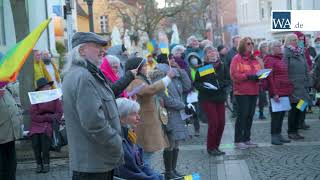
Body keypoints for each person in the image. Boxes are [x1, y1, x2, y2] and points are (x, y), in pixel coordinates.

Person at [62, 32, 124, 180]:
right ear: (82, 50)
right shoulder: (84, 77)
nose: (103, 51)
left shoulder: (85, 74)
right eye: (97, 46)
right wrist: (116, 142)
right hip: (94, 164)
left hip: (95, 160)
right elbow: (94, 122)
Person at [125, 56, 175, 165]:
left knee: (147, 154)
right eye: (144, 66)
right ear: (137, 68)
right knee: (145, 155)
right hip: (143, 122)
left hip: (146, 120)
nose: (146, 68)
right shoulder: (136, 80)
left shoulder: (140, 78)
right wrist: (167, 78)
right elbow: (150, 90)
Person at [149, 54, 191, 179]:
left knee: (176, 143)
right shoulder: (160, 76)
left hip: (177, 112)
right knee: (170, 143)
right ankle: (168, 172)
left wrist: (181, 70)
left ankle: (173, 170)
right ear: (167, 61)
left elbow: (187, 86)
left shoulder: (174, 74)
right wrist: (182, 105)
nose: (174, 61)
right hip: (168, 113)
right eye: (172, 59)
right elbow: (165, 99)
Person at [114, 98, 164, 180]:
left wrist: (157, 176)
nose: (138, 117)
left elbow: (141, 165)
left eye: (138, 113)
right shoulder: (118, 141)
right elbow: (128, 174)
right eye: (133, 114)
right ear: (121, 117)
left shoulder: (130, 136)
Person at [194, 46, 229, 155]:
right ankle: (211, 147)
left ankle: (216, 146)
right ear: (206, 55)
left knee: (221, 123)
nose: (213, 53)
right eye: (209, 52)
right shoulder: (204, 68)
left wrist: (223, 87)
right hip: (208, 98)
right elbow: (197, 83)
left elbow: (228, 80)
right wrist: (207, 87)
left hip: (220, 97)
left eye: (214, 51)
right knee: (214, 122)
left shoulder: (222, 65)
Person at [230, 37, 262, 150]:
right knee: (242, 116)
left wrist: (260, 77)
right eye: (248, 43)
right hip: (241, 92)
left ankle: (247, 139)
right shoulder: (236, 58)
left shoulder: (255, 59)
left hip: (254, 91)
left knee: (250, 116)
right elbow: (234, 75)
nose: (251, 45)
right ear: (243, 45)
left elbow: (259, 72)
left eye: (252, 43)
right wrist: (248, 76)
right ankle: (238, 140)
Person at [29, 78, 63, 173]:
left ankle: (46, 163)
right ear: (40, 89)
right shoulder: (35, 98)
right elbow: (33, 114)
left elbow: (59, 112)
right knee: (35, 138)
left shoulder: (54, 97)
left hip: (49, 122)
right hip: (37, 122)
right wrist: (47, 117)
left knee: (45, 137)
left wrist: (49, 118)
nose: (47, 89)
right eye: (44, 87)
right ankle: (39, 164)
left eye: (48, 87)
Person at [264, 40, 293, 145]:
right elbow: (270, 78)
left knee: (281, 114)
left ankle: (279, 134)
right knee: (276, 115)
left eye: (280, 46)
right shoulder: (269, 60)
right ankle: (274, 136)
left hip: (284, 90)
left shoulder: (280, 58)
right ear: (272, 48)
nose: (280, 48)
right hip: (276, 91)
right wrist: (274, 93)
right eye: (278, 46)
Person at [283, 33, 311, 140]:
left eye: (296, 40)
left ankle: (297, 128)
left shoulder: (300, 52)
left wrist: (309, 82)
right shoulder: (286, 53)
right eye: (293, 40)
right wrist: (288, 84)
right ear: (288, 41)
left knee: (301, 108)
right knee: (294, 110)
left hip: (303, 86)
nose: (296, 42)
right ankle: (291, 131)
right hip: (293, 86)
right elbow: (284, 70)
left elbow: (306, 68)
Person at [0, 79, 23, 180]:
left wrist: (19, 111)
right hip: (1, 136)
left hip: (10, 135)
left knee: (12, 165)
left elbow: (16, 100)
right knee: (3, 167)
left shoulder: (7, 87)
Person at [186, 52, 205, 133]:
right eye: (191, 58)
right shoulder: (188, 69)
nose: (194, 59)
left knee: (202, 111)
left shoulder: (203, 68)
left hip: (203, 92)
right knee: (195, 112)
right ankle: (197, 129)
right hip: (193, 93)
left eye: (195, 57)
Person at [226, 35, 241, 118]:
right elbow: (227, 66)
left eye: (240, 41)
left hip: (243, 77)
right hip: (233, 78)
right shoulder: (230, 53)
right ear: (233, 43)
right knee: (234, 96)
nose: (239, 43)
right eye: (237, 42)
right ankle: (235, 111)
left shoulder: (244, 51)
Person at [256, 41, 269, 120]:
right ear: (260, 48)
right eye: (264, 46)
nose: (265, 48)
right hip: (261, 79)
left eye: (266, 46)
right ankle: (261, 112)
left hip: (269, 78)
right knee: (261, 97)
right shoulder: (257, 57)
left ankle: (273, 111)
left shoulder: (269, 56)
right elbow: (257, 69)